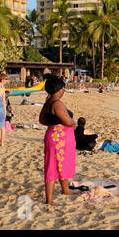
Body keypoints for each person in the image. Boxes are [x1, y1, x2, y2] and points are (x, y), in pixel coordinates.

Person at [39, 74, 76, 205]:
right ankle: (49, 199)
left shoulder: (48, 102)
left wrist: (53, 124)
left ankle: (65, 189)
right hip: (60, 138)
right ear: (59, 89)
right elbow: (68, 121)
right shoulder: (57, 103)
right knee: (53, 166)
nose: (64, 91)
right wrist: (73, 123)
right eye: (63, 89)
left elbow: (42, 120)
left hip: (52, 135)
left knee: (57, 164)